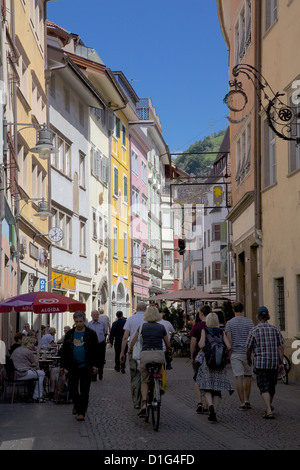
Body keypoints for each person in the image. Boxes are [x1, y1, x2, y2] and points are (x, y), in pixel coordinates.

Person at [128, 306, 170, 417]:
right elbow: (167, 344)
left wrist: (130, 351)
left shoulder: (142, 326)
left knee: (145, 380)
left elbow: (133, 341)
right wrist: (167, 351)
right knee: (159, 370)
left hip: (145, 355)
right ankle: (159, 385)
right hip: (158, 354)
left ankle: (144, 403)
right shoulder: (161, 327)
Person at [246, 306, 285, 419]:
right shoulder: (275, 329)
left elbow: (248, 348)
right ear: (267, 316)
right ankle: (269, 406)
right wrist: (281, 362)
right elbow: (280, 347)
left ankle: (268, 409)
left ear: (258, 317)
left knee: (263, 387)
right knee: (272, 387)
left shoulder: (254, 330)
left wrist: (248, 359)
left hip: (261, 364)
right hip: (273, 363)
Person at [60, 311, 98, 421]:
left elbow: (96, 350)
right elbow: (65, 350)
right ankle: (76, 404)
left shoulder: (90, 333)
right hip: (73, 366)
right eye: (76, 322)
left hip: (86, 366)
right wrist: (62, 365)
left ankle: (81, 412)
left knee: (85, 390)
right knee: (72, 389)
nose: (78, 324)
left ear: (84, 321)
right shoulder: (70, 334)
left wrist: (95, 365)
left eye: (80, 321)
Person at [196, 312, 233, 422]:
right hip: (220, 364)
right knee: (217, 390)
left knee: (207, 386)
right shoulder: (221, 332)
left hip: (208, 362)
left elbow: (201, 344)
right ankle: (214, 413)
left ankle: (210, 405)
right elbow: (229, 346)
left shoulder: (205, 330)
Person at [225, 301, 254, 410]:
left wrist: (229, 352)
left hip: (236, 353)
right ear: (243, 310)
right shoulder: (250, 322)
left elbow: (229, 340)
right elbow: (252, 338)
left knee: (238, 377)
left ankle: (242, 402)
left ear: (233, 310)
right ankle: (247, 400)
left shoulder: (230, 323)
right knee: (248, 376)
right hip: (247, 353)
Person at [120, 302, 147, 409]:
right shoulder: (149, 318)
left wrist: (123, 352)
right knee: (146, 375)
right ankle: (147, 399)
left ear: (136, 309)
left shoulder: (130, 319)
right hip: (147, 350)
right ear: (146, 309)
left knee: (135, 375)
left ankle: (136, 401)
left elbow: (125, 337)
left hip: (134, 350)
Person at [10, 336, 45, 402]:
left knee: (37, 373)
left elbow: (23, 361)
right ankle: (37, 396)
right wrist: (38, 353)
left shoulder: (17, 349)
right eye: (30, 343)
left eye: (33, 343)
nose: (32, 345)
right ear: (26, 343)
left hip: (12, 373)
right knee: (41, 373)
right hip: (21, 374)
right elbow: (36, 363)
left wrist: (30, 365)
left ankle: (32, 393)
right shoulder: (28, 352)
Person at [190, 305, 211, 413]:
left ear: (201, 314)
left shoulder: (197, 326)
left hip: (199, 356)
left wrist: (191, 356)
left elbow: (193, 343)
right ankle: (208, 404)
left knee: (197, 378)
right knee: (209, 378)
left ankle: (199, 402)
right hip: (211, 356)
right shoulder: (213, 326)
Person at [87, 310, 106, 381]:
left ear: (98, 316)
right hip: (92, 345)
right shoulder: (89, 324)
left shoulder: (102, 323)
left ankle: (100, 372)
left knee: (101, 359)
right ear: (91, 315)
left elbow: (104, 332)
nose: (95, 316)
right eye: (93, 314)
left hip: (101, 343)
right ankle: (93, 375)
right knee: (93, 360)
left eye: (96, 315)